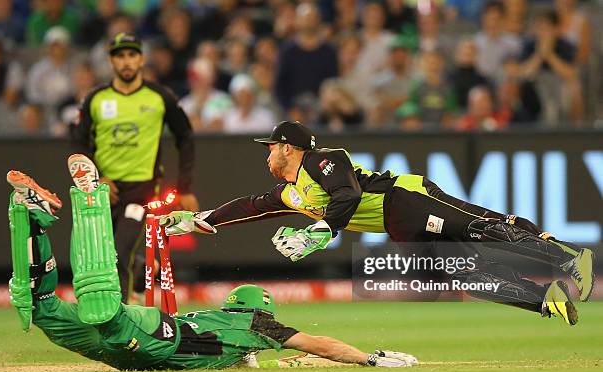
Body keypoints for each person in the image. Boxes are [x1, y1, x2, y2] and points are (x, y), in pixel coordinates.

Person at [160, 121, 594, 326]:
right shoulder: (289, 193)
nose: (266, 154)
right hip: (399, 226)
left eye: (270, 147)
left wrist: (321, 230)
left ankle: (572, 258)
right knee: (463, 272)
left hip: (404, 200)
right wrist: (197, 220)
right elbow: (249, 206)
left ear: (289, 148)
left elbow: (347, 195)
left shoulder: (323, 159)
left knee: (481, 227)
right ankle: (544, 298)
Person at [6, 160, 418, 370]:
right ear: (261, 311)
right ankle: (90, 196)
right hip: (150, 343)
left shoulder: (225, 323)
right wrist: (368, 358)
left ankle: (32, 220)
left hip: (140, 348)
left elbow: (257, 360)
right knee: (103, 307)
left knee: (42, 305)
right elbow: (319, 345)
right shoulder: (260, 328)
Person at [72, 33, 198, 304]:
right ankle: (142, 270)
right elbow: (78, 143)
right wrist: (97, 180)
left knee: (119, 251)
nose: (126, 61)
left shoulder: (159, 97)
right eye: (120, 56)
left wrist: (185, 188)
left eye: (131, 55)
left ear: (141, 59)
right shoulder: (95, 98)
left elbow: (185, 137)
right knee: (101, 254)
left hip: (142, 191)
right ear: (111, 61)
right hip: (104, 190)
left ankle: (119, 317)